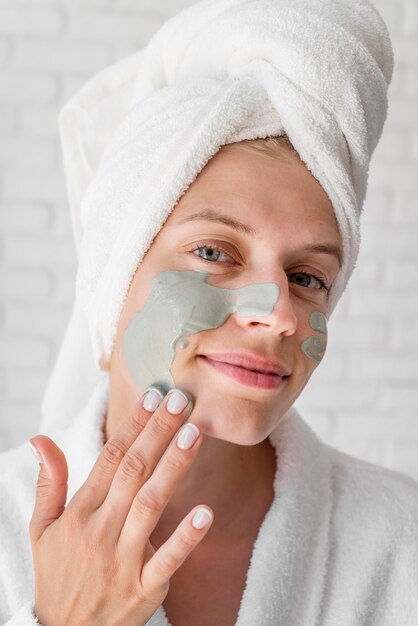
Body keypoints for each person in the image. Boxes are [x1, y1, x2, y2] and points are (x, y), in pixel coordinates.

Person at [1, 1, 418, 625]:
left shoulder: (400, 542)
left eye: (307, 277)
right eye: (215, 253)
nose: (280, 314)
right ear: (115, 276)